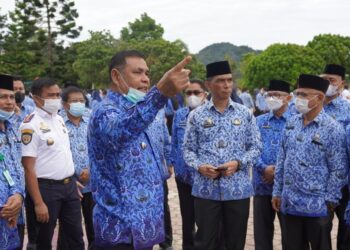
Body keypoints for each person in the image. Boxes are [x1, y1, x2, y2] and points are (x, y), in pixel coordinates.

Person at [88, 50, 192, 250]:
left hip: (145, 229)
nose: (145, 79)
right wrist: (160, 93)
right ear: (116, 76)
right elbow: (121, 130)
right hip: (119, 231)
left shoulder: (144, 110)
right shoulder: (105, 111)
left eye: (147, 73)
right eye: (138, 72)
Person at [183, 61, 262, 250]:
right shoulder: (196, 115)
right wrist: (200, 166)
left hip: (238, 190)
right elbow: (187, 150)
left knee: (235, 242)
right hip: (205, 190)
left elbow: (256, 147)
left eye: (229, 80)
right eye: (221, 81)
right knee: (204, 242)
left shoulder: (245, 114)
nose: (227, 85)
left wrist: (238, 163)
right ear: (208, 84)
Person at [272, 74, 348, 250]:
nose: (298, 99)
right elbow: (282, 159)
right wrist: (277, 191)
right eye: (298, 93)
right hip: (289, 203)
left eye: (304, 95)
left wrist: (329, 201)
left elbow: (339, 169)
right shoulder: (291, 123)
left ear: (319, 97)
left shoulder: (333, 129)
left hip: (317, 207)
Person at [20, 77, 84, 250]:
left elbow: (61, 153)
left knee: (75, 237)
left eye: (57, 95)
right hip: (46, 190)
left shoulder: (59, 119)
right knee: (44, 239)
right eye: (50, 96)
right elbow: (28, 167)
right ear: (36, 98)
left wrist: (70, 180)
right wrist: (39, 203)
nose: (55, 99)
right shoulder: (30, 125)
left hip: (69, 187)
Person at [253, 80, 292, 250]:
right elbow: (251, 148)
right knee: (262, 235)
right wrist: (264, 168)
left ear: (288, 98)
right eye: (270, 94)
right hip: (262, 185)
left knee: (291, 237)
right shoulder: (258, 121)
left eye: (277, 95)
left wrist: (278, 173)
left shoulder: (296, 121)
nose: (272, 98)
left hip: (287, 188)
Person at [57, 86, 95, 249]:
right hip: (68, 185)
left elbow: (101, 147)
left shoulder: (92, 119)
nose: (79, 104)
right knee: (70, 229)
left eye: (81, 101)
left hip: (93, 183)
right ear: (65, 104)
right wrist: (72, 176)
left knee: (95, 224)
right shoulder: (57, 122)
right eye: (74, 101)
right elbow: (55, 154)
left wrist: (91, 169)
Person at [171, 79, 207, 250]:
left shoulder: (211, 115)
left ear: (204, 94)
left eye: (196, 92)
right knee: (187, 219)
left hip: (205, 178)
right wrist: (175, 166)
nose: (192, 96)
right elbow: (174, 143)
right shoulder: (179, 115)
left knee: (206, 220)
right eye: (188, 93)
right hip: (183, 177)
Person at [321, 64, 350, 250]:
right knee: (322, 228)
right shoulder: (313, 108)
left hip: (345, 182)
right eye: (324, 80)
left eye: (332, 80)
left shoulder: (348, 110)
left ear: (342, 83)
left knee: (345, 231)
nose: (328, 84)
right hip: (321, 181)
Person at [0, 74, 25, 250]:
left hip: (15, 211)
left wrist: (18, 195)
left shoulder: (12, 129)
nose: (9, 102)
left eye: (11, 97)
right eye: (3, 97)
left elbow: (17, 167)